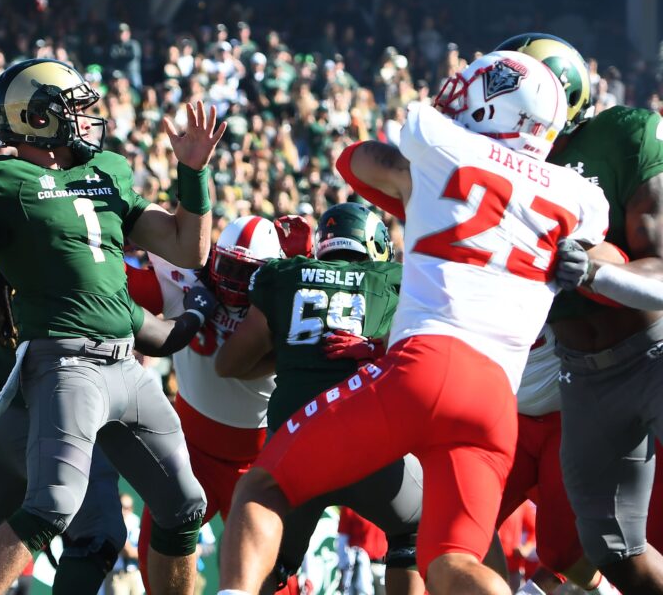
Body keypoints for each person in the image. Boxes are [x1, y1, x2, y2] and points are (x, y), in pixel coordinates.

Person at [216, 49, 609, 595]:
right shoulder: (577, 195)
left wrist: (422, 183)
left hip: (428, 364)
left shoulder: (441, 143)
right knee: (452, 562)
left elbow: (356, 160)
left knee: (264, 484)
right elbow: (598, 254)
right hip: (497, 400)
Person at [0, 58, 225, 594]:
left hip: (125, 363)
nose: (86, 119)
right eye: (74, 109)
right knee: (54, 506)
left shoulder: (107, 172)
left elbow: (187, 248)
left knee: (185, 504)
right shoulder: (0, 182)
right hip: (65, 364)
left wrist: (194, 174)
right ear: (38, 118)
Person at [0, 265, 218, 595]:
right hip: (42, 417)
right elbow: (160, 336)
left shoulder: (20, 252)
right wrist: (196, 310)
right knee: (98, 532)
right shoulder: (75, 262)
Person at [494, 33, 663, 595]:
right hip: (581, 378)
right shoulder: (499, 165)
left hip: (653, 350)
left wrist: (599, 271)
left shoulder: (621, 134)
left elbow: (661, 268)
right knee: (609, 551)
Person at [214, 204, 424, 595]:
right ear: (374, 243)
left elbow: (229, 364)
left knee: (269, 560)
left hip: (295, 446)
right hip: (370, 449)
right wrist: (377, 349)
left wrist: (298, 351)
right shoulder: (397, 279)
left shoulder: (283, 275)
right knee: (415, 531)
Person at [125, 214, 282, 591]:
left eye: (245, 274)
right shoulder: (187, 280)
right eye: (227, 266)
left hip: (258, 461)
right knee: (154, 561)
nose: (232, 282)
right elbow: (120, 287)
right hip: (189, 446)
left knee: (274, 580)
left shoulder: (285, 302)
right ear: (215, 257)